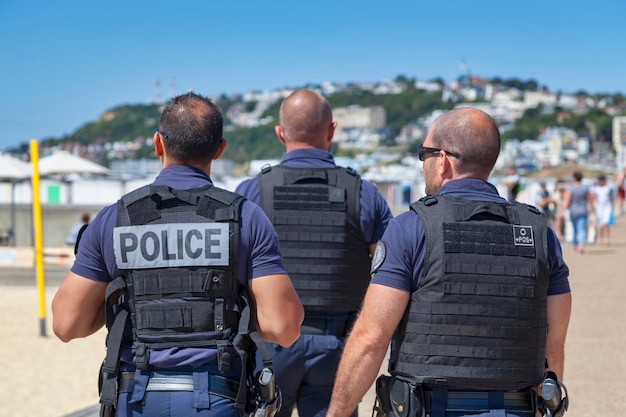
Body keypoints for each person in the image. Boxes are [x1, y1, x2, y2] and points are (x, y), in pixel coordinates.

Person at [52, 92, 304, 417]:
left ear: (158, 144)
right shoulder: (246, 218)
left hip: (135, 396)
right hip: (218, 397)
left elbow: (66, 324)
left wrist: (123, 300)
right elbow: (283, 328)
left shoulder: (114, 219)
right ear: (219, 148)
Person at [327, 108, 572, 417]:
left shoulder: (412, 227)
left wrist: (336, 412)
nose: (423, 164)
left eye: (423, 154)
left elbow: (372, 338)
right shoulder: (540, 235)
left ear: (442, 160)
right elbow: (554, 345)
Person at [235, 89, 393, 417]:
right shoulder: (363, 194)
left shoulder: (252, 192)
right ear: (331, 130)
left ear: (280, 134)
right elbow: (388, 273)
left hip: (270, 344)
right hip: (339, 347)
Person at [563, 171, 591, 254]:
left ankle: (574, 246)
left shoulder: (571, 188)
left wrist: (563, 210)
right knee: (581, 228)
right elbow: (589, 199)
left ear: (574, 178)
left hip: (574, 210)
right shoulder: (585, 188)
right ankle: (581, 245)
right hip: (583, 209)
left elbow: (567, 201)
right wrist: (593, 209)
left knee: (575, 229)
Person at [590, 174, 614, 245]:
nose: (601, 182)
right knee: (600, 223)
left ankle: (607, 238)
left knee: (606, 222)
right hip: (599, 207)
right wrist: (593, 207)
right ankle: (600, 238)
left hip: (607, 207)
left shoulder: (608, 188)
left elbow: (611, 198)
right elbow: (593, 197)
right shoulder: (596, 188)